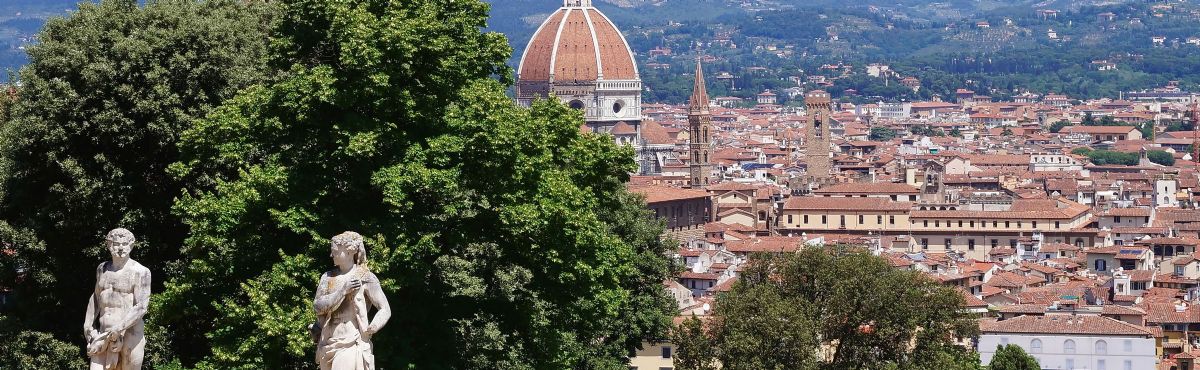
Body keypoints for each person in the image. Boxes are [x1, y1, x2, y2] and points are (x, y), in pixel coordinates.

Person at [313, 231, 391, 370]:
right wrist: (342, 291)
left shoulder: (365, 277)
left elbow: (385, 309)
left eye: (335, 251)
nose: (332, 255)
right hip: (327, 341)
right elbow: (318, 306)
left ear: (349, 252)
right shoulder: (328, 277)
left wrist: (373, 327)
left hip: (351, 341)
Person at [83, 228, 151, 370]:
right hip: (103, 333)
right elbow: (95, 298)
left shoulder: (140, 272)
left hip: (129, 333)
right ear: (109, 245)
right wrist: (88, 325)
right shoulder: (102, 269)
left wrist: (119, 328)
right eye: (116, 244)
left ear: (131, 245)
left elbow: (141, 307)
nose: (120, 248)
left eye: (125, 244)